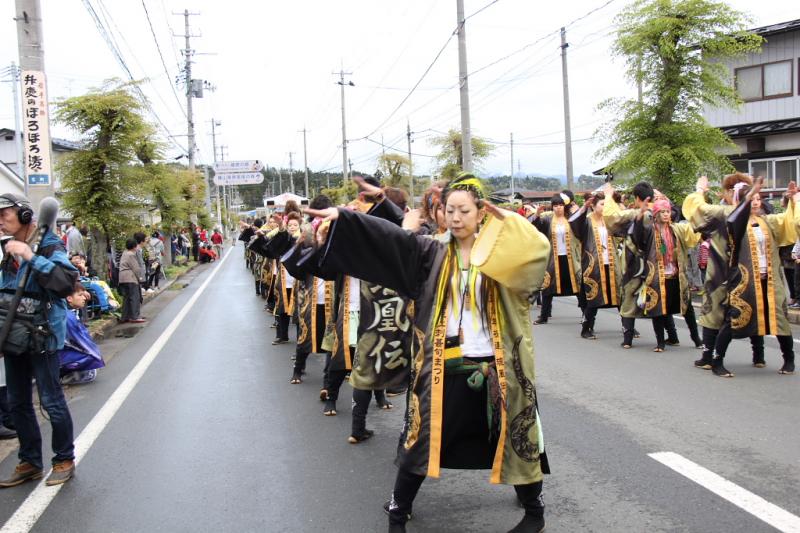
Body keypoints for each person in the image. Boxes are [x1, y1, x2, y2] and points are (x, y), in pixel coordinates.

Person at [306, 174, 549, 533]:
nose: (455, 217)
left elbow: (536, 253)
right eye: (449, 209)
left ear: (481, 211)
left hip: (497, 363)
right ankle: (397, 511)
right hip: (443, 361)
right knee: (421, 437)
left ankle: (534, 513)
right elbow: (391, 241)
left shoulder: (503, 252)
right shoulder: (432, 251)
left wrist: (511, 220)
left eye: (464, 210)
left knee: (515, 436)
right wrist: (347, 220)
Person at [0, 193, 79, 487]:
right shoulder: (8, 249)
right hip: (14, 335)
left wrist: (30, 256)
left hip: (43, 336)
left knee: (51, 400)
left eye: (3, 215)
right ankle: (30, 461)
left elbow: (64, 282)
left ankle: (64, 459)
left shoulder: (48, 246)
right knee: (17, 401)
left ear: (23, 216)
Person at [682, 174, 769, 374]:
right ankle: (713, 356)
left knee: (739, 311)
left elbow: (697, 209)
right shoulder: (724, 212)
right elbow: (699, 211)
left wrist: (699, 191)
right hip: (724, 271)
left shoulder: (759, 217)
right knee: (720, 312)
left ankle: (756, 355)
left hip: (740, 272)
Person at [711, 177, 796, 376]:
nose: (757, 202)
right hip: (745, 281)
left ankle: (788, 359)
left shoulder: (767, 221)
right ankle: (717, 361)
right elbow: (733, 223)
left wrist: (793, 201)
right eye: (752, 198)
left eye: (758, 198)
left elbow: (789, 223)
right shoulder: (734, 223)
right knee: (735, 319)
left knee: (779, 319)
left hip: (770, 280)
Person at [569, 192, 622, 340]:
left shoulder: (609, 221)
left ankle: (628, 328)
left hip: (611, 263)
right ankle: (587, 328)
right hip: (593, 265)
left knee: (619, 296)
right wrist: (583, 208)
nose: (605, 207)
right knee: (593, 298)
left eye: (606, 204)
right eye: (602, 204)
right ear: (593, 206)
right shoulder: (586, 222)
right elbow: (574, 223)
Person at [531, 193, 581, 324]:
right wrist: (536, 214)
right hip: (554, 258)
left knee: (578, 285)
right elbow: (537, 228)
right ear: (552, 207)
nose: (558, 208)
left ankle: (585, 315)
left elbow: (582, 228)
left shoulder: (570, 219)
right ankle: (544, 316)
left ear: (565, 206)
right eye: (555, 205)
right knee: (548, 288)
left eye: (561, 205)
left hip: (571, 259)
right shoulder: (547, 220)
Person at [59, 281, 104, 385]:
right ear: (69, 298)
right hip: (59, 356)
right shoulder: (67, 316)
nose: (84, 298)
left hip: (59, 353)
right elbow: (80, 341)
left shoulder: (67, 313)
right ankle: (65, 375)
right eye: (80, 295)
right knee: (91, 356)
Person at [118, 238, 146, 324]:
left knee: (126, 298)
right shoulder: (131, 254)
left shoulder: (124, 253)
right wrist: (140, 278)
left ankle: (125, 316)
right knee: (134, 297)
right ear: (134, 246)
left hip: (122, 278)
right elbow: (136, 268)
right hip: (130, 278)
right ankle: (135, 316)